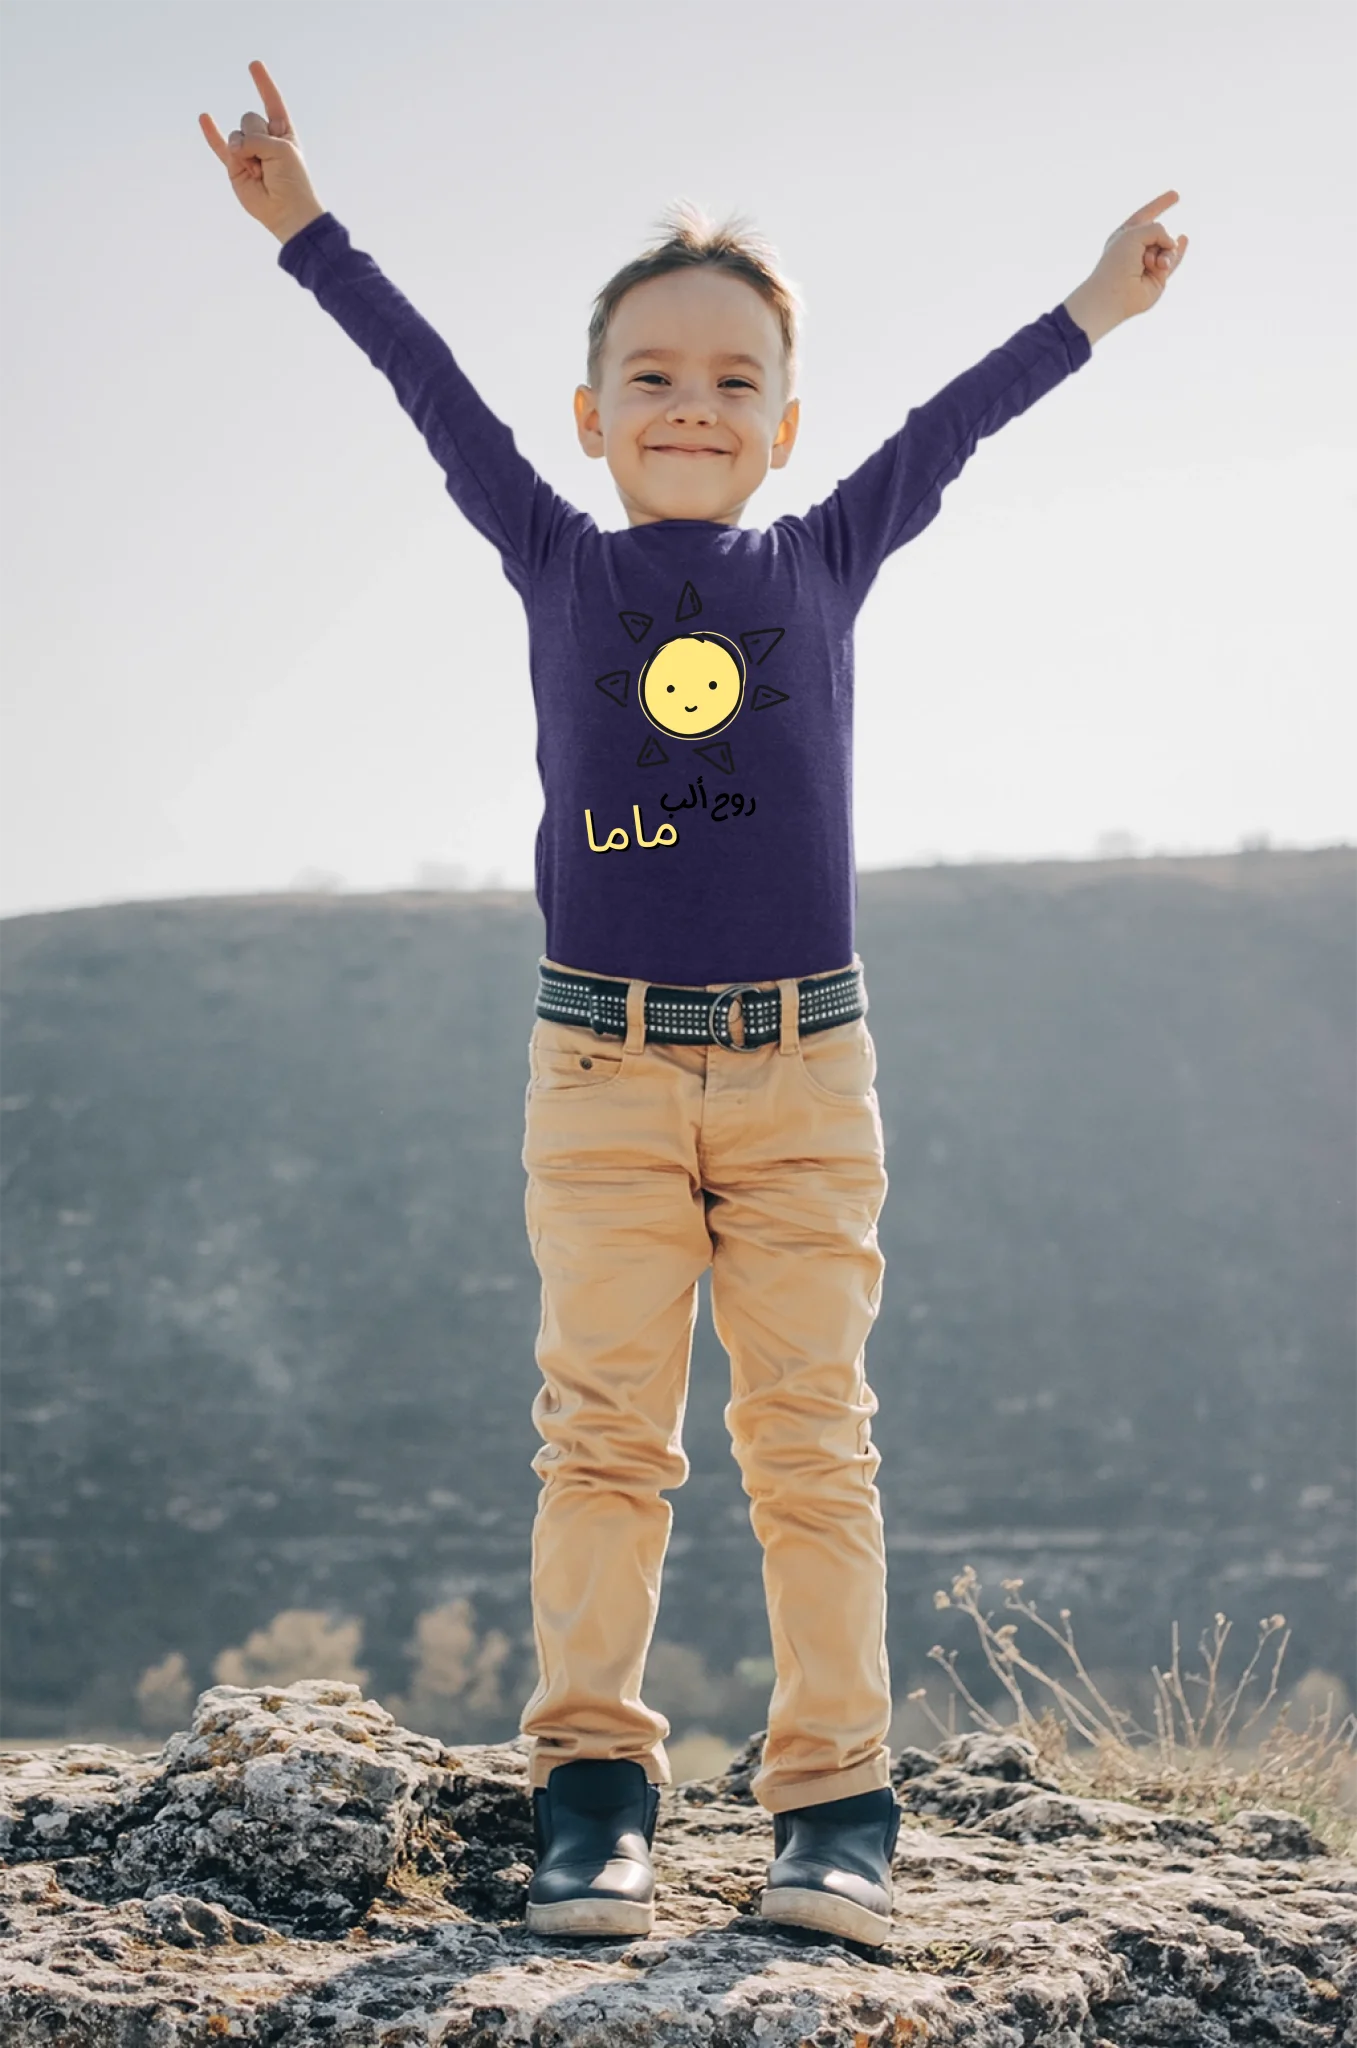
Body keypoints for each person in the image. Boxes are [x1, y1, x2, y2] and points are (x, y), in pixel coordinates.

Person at [200, 60, 1187, 1949]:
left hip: (809, 1071)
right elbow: (430, 392)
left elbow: (955, 425)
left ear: (786, 422)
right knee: (605, 1441)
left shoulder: (822, 555)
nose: (692, 405)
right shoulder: (556, 556)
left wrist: (1095, 306)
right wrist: (304, 230)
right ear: (590, 414)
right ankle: (593, 1789)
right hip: (602, 1072)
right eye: (653, 375)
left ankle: (836, 1803)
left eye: (735, 380)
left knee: (813, 1436)